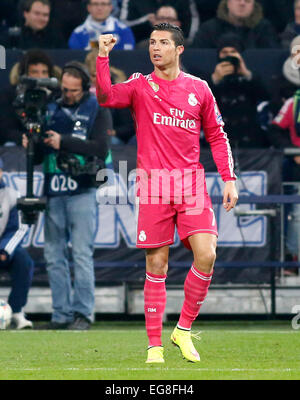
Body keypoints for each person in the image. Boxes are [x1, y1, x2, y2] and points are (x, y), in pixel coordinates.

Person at [96, 23, 238, 363]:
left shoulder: (199, 89)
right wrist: (102, 57)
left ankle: (183, 330)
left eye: (162, 43)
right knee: (157, 264)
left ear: (179, 49)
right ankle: (154, 346)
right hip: (154, 184)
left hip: (191, 183)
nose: (155, 48)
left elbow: (217, 135)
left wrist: (229, 178)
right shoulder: (139, 86)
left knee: (207, 255)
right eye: (152, 43)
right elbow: (105, 96)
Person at [23, 61, 110, 330]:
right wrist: (33, 144)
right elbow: (37, 158)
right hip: (54, 188)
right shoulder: (48, 108)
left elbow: (100, 147)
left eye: (73, 90)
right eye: (64, 89)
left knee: (82, 254)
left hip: (82, 189)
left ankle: (83, 314)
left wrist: (65, 142)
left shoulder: (97, 107)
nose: (67, 94)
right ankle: (60, 314)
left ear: (85, 88)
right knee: (53, 255)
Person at [210, 34, 269, 148]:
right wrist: (214, 80)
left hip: (249, 140)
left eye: (233, 52)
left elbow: (266, 96)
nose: (229, 56)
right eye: (225, 53)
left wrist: (246, 74)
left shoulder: (251, 79)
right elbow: (198, 103)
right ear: (219, 55)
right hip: (219, 140)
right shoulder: (208, 80)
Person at [0, 49, 61, 147]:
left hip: (51, 141)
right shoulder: (9, 95)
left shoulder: (57, 95)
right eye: (34, 72)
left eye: (44, 72)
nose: (40, 77)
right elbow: (6, 129)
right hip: (19, 144)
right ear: (25, 75)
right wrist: (24, 138)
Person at [0, 157, 34, 329]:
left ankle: (16, 311)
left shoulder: (12, 195)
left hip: (3, 247)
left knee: (23, 260)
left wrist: (4, 251)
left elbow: (19, 228)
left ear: (1, 172)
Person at [192, 0, 279, 49]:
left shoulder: (264, 29)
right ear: (227, 2)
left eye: (247, 0)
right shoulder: (208, 29)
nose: (242, 3)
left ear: (254, 5)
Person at [119, 0, 200, 46]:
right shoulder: (143, 46)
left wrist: (187, 41)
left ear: (178, 23)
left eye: (169, 19)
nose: (165, 23)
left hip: (179, 43)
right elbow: (122, 25)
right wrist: (145, 20)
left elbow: (192, 25)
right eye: (161, 19)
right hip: (144, 43)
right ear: (155, 22)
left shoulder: (184, 2)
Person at [68, 0, 135, 50]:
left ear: (110, 7)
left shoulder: (124, 31)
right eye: (95, 4)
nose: (99, 8)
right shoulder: (78, 33)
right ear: (89, 7)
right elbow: (76, 60)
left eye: (103, 4)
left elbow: (127, 57)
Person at [0, 0, 66, 49]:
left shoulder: (55, 38)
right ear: (25, 14)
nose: (41, 18)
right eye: (37, 13)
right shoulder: (11, 36)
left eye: (45, 15)